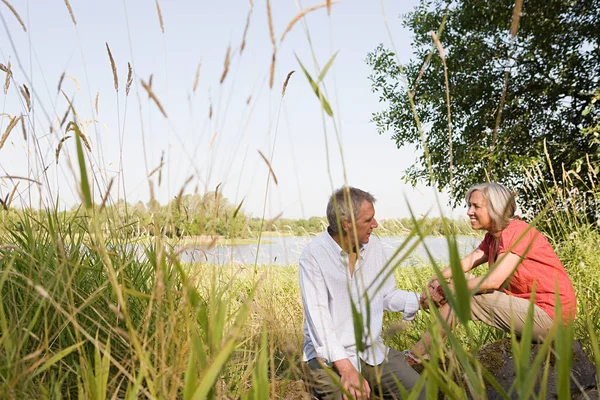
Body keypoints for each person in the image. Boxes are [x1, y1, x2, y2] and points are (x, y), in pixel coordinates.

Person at [405, 182, 577, 365]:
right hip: (530, 310)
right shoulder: (493, 236)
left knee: (467, 297)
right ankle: (426, 351)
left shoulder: (518, 231)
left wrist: (449, 289)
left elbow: (493, 281)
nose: (469, 212)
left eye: (476, 206)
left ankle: (418, 355)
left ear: (497, 209)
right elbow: (468, 262)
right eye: (469, 206)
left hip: (550, 317)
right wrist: (436, 281)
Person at [300, 186, 426, 400]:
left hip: (370, 353)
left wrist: (422, 300)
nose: (375, 225)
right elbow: (318, 319)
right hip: (329, 359)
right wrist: (347, 369)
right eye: (368, 220)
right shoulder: (313, 255)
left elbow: (386, 295)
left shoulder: (374, 247)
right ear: (346, 224)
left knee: (418, 388)